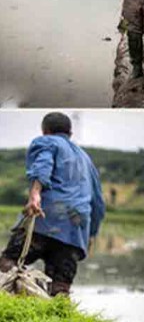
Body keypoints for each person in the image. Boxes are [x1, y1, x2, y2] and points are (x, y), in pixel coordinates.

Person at [0, 112, 105, 297]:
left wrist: (35, 194)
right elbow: (97, 203)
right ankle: (60, 318)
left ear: (45, 131)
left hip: (44, 219)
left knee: (8, 265)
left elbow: (42, 166)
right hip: (75, 229)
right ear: (70, 133)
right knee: (60, 286)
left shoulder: (46, 142)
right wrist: (91, 234)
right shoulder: (87, 161)